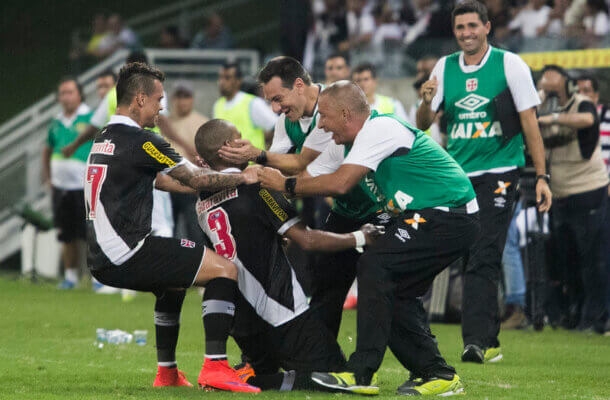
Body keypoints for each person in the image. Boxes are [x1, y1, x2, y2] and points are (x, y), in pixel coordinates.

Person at [258, 81, 480, 396]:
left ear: (347, 114)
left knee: (375, 267)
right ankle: (437, 373)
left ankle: (360, 372)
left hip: (448, 212)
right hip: (434, 215)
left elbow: (340, 183)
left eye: (325, 117)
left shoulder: (379, 128)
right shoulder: (354, 139)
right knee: (393, 292)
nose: (321, 125)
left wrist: (285, 185)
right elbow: (318, 176)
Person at [85, 62, 260, 393]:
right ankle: (216, 366)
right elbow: (195, 177)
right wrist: (247, 176)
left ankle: (167, 373)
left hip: (100, 257)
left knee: (173, 283)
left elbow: (165, 182)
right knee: (224, 270)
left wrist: (211, 184)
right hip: (128, 252)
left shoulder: (104, 137)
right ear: (139, 99)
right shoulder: (142, 140)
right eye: (158, 99)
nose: (161, 107)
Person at [193, 118, 383, 391]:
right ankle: (251, 379)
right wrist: (360, 237)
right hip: (282, 312)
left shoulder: (201, 199)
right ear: (227, 146)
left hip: (241, 321)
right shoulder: (257, 186)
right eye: (239, 137)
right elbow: (307, 239)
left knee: (272, 363)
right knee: (339, 378)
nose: (246, 142)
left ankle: (253, 371)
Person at [417, 0, 552, 364]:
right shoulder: (444, 67)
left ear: (487, 27)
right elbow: (424, 123)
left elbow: (530, 124)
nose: (466, 33)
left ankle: (479, 342)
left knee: (483, 254)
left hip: (500, 173)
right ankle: (478, 337)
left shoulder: (510, 64)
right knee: (461, 254)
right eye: (460, 28)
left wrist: (541, 177)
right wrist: (426, 102)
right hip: (457, 177)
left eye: (472, 26)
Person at [538, 65, 609, 334]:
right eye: (547, 90)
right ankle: (574, 313)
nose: (552, 94)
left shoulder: (582, 104)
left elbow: (587, 121)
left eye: (554, 89)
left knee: (594, 260)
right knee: (567, 261)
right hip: (560, 195)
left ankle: (597, 317)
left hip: (588, 191)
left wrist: (553, 117)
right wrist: (541, 102)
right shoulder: (542, 110)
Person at [41, 77, 92, 290]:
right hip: (61, 187)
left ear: (79, 94)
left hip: (84, 186)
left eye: (70, 92)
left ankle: (97, 279)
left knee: (90, 234)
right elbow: (47, 150)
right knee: (66, 234)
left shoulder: (90, 118)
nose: (66, 97)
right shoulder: (56, 121)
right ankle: (70, 277)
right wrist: (48, 178)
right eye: (62, 93)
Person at [167, 80, 208, 242]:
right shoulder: (164, 122)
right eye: (179, 96)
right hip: (167, 187)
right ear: (173, 99)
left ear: (192, 99)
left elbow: (204, 159)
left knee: (196, 234)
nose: (182, 101)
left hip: (192, 187)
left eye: (186, 96)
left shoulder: (202, 123)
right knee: (167, 235)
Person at [212, 62, 278, 152]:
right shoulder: (218, 105)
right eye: (220, 77)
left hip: (252, 164)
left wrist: (265, 155)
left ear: (238, 81)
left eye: (227, 78)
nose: (222, 82)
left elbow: (277, 127)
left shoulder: (253, 103)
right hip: (228, 164)